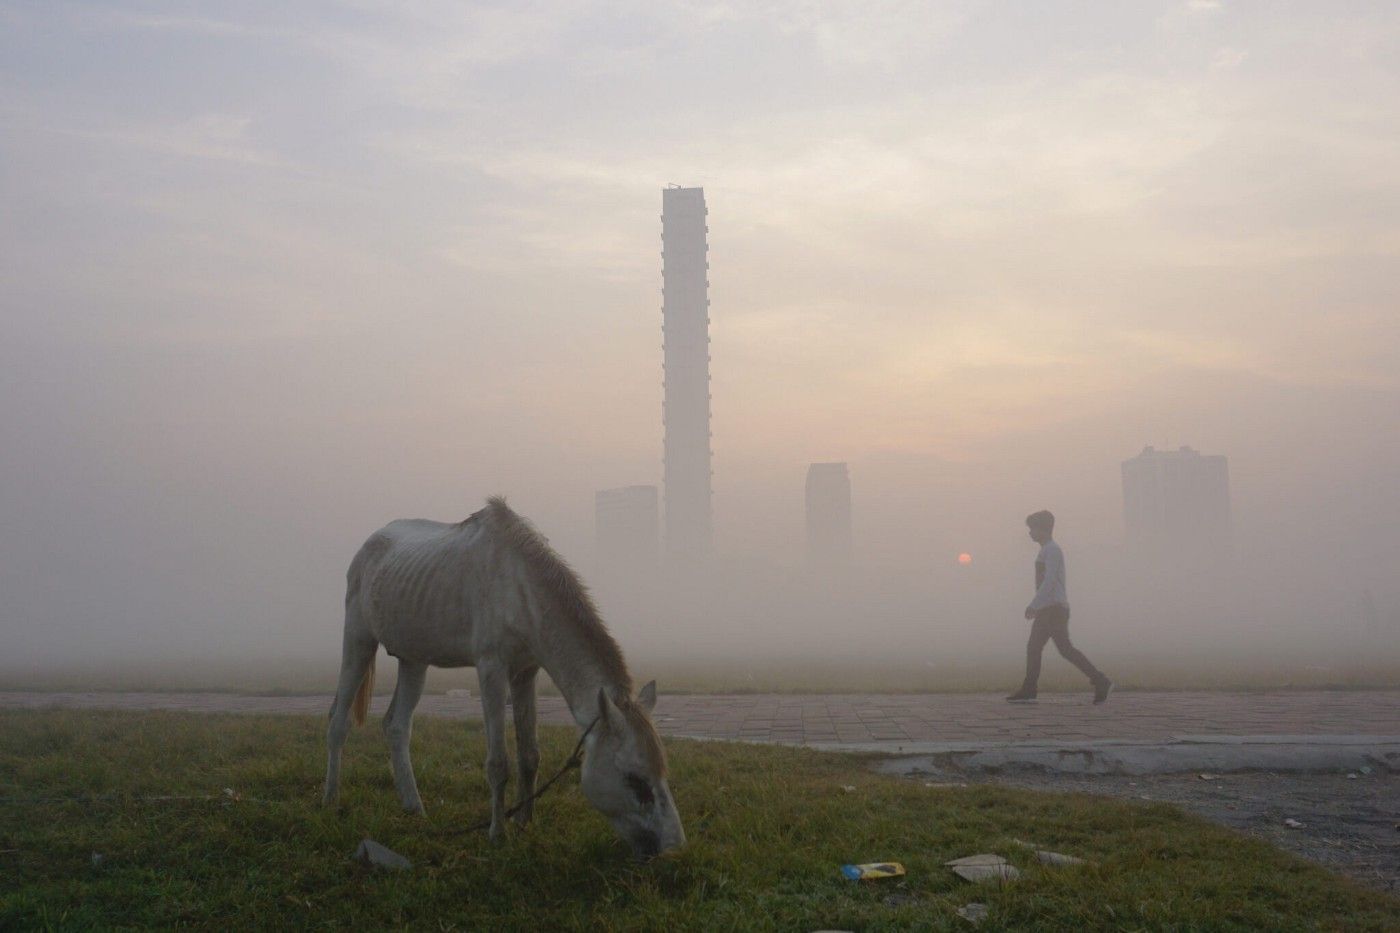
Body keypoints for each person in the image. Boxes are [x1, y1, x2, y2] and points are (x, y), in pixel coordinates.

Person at [1006, 510, 1112, 704]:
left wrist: (1034, 605)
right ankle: (1030, 688)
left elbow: (1050, 580)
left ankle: (1100, 680)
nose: (1030, 533)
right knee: (1040, 648)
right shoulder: (1045, 550)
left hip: (1054, 609)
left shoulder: (1052, 550)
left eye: (1032, 529)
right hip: (1049, 608)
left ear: (1043, 529)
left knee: (1062, 649)